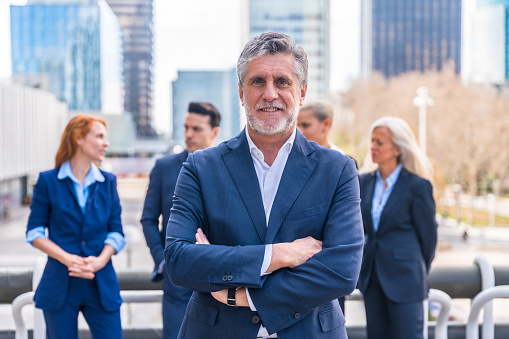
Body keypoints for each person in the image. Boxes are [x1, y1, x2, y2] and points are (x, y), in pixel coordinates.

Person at [164, 32, 364, 339]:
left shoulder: (337, 169)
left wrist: (240, 294)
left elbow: (341, 270)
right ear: (242, 92)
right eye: (258, 81)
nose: (270, 93)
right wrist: (278, 254)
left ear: (301, 93)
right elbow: (179, 260)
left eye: (282, 81)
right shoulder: (201, 167)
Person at [25, 114, 125, 339]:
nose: (105, 143)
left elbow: (116, 231)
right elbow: (34, 232)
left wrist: (100, 260)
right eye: (99, 136)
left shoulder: (108, 182)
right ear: (79, 138)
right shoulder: (48, 181)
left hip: (100, 282)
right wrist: (67, 258)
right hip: (60, 282)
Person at [141, 102, 220, 339]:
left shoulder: (229, 167)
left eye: (196, 128)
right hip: (177, 281)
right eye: (186, 127)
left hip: (220, 279)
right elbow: (148, 219)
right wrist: (162, 259)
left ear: (214, 132)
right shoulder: (164, 167)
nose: (188, 134)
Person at [357, 116, 438, 339]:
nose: (372, 147)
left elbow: (428, 240)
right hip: (372, 279)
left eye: (379, 142)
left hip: (407, 281)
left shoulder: (417, 186)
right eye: (372, 141)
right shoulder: (363, 182)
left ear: (398, 149)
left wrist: (416, 271)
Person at [297, 101, 347, 312]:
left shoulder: (346, 164)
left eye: (305, 125)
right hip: (295, 267)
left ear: (326, 125)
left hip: (332, 267)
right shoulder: (291, 163)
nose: (299, 131)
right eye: (297, 125)